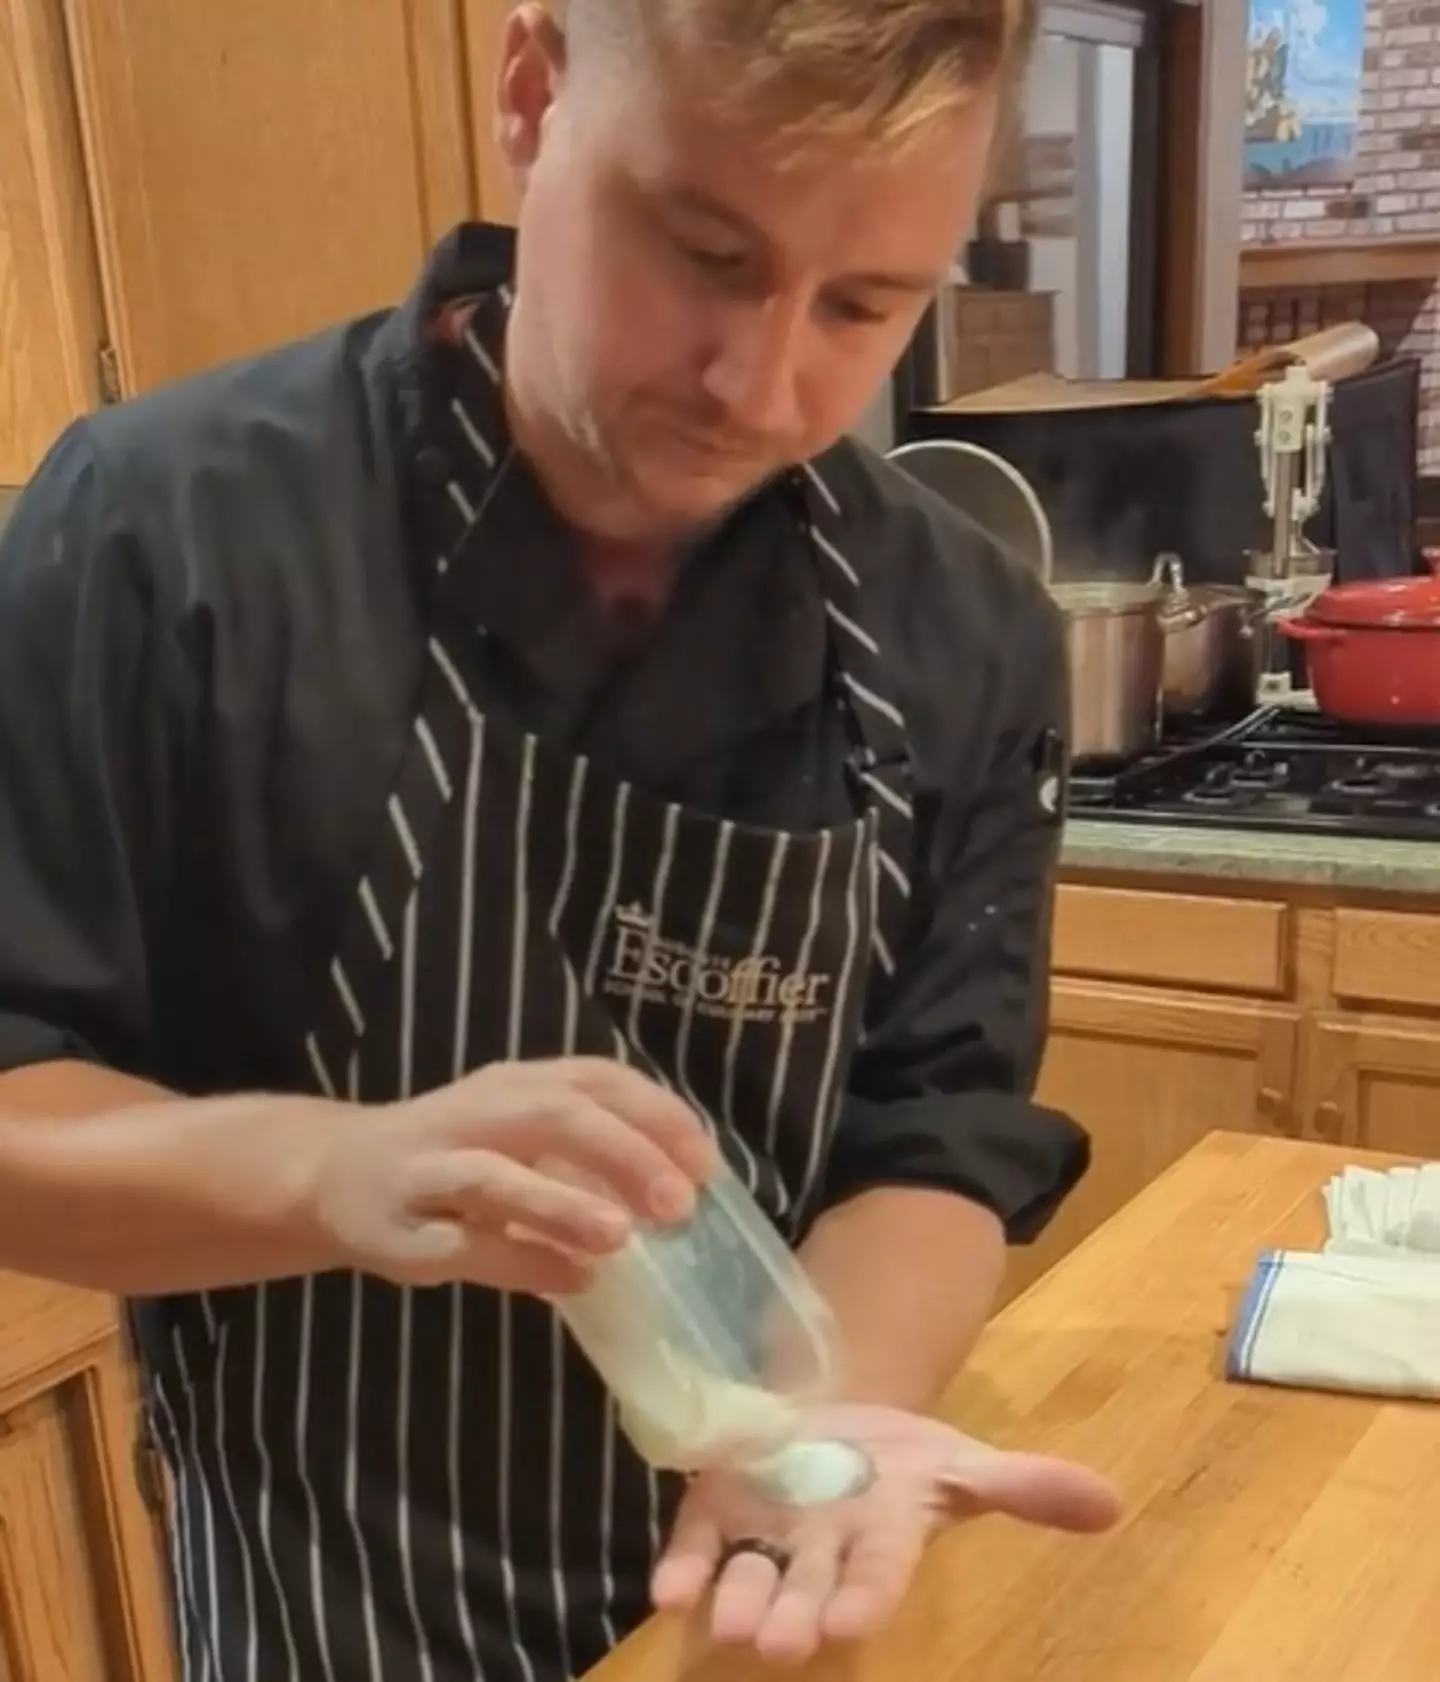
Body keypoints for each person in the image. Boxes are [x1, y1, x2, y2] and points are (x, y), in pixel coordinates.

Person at [0, 0, 1119, 1677]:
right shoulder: (164, 539)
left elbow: (936, 1139)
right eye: (703, 252)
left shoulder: (960, 632)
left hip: (754, 1629)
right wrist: (341, 1171)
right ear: (531, 93)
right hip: (323, 1620)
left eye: (864, 305)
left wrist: (816, 1427)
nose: (765, 382)